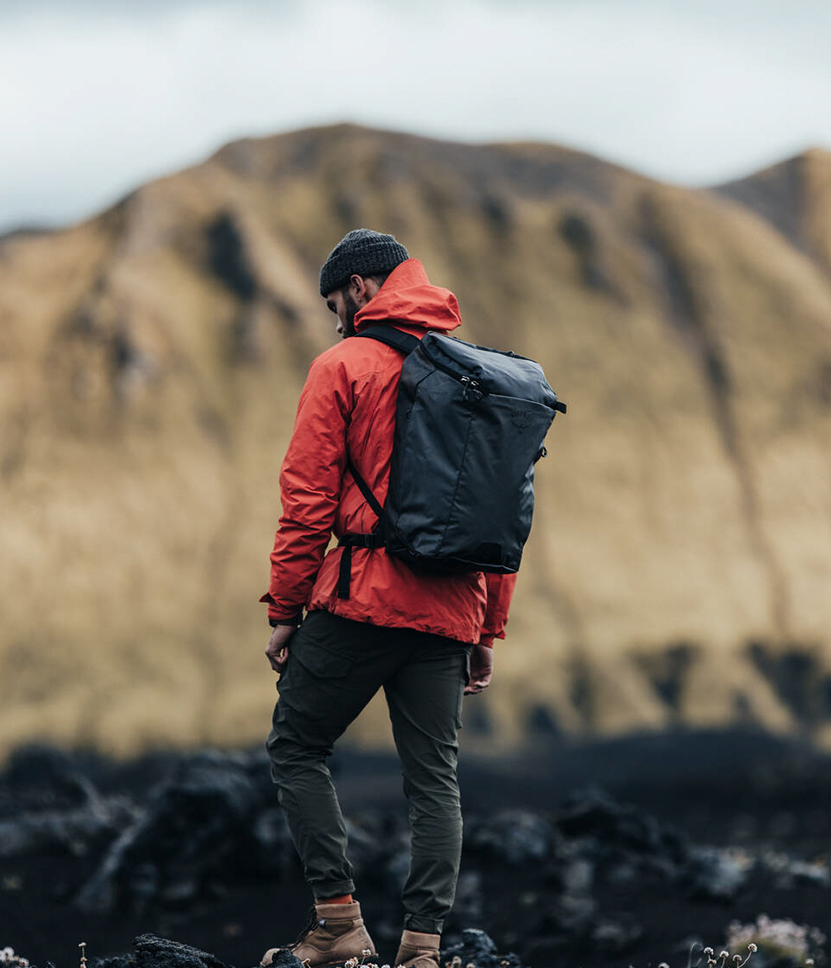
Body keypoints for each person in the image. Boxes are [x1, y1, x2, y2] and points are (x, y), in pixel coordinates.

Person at [259, 230, 515, 968]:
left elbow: (306, 502)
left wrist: (285, 611)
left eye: (336, 303)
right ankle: (422, 949)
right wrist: (486, 628)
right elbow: (501, 519)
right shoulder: (481, 376)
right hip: (451, 613)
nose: (335, 319)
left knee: (297, 747)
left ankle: (338, 926)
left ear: (363, 289)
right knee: (435, 781)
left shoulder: (343, 366)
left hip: (362, 602)